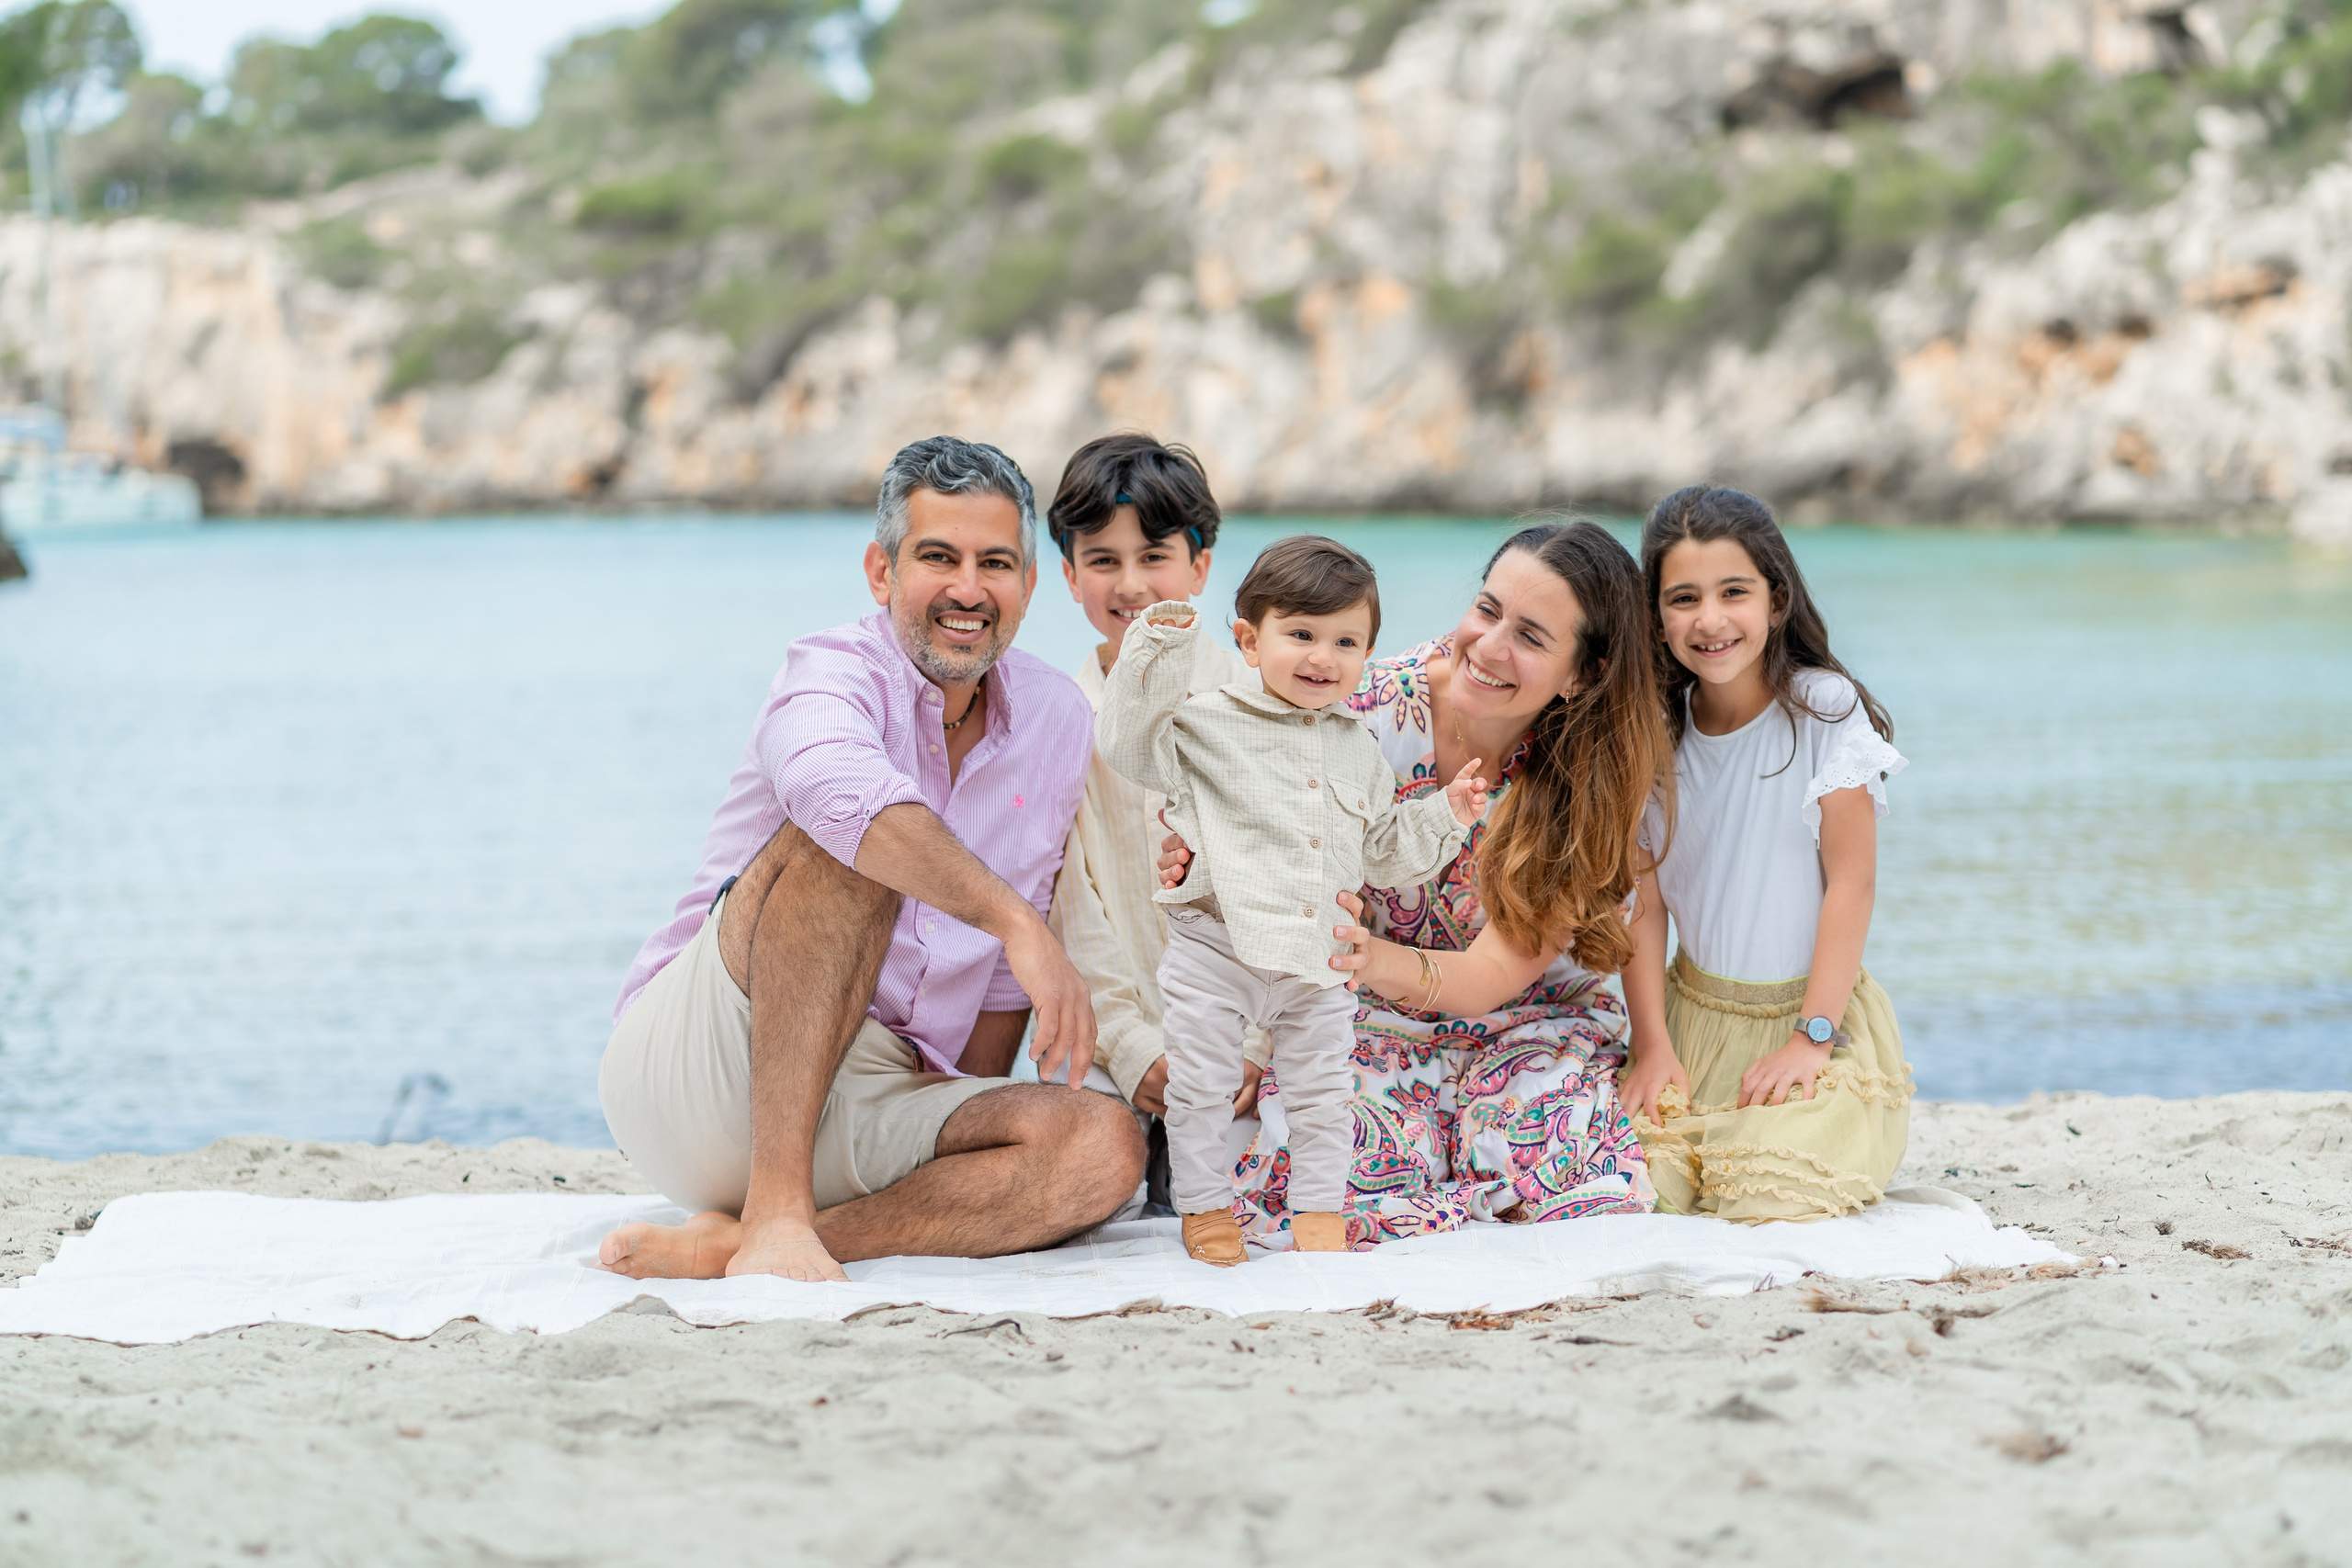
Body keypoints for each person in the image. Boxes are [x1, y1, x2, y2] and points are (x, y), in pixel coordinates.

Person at [594, 435, 1142, 1283]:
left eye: (996, 562)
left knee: (1104, 1145)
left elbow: (1000, 991)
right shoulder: (831, 670)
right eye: (938, 557)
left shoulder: (1057, 717)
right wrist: (1014, 920)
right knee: (856, 838)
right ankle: (773, 1217)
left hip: (879, 1094)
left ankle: (761, 1241)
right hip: (707, 1065)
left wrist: (975, 1126)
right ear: (882, 573)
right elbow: (840, 799)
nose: (969, 588)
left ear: (1029, 588)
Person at [1163, 520, 1673, 1246]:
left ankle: (1469, 1141)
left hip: (1525, 1015)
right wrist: (1205, 856)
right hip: (1366, 1011)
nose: (1490, 646)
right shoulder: (1357, 707)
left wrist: (1368, 957)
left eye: (1531, 637)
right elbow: (1252, 821)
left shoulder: (1589, 779)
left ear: (1581, 674)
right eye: (1488, 610)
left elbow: (1494, 973)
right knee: (1323, 1172)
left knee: (1535, 1157)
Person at [1099, 538, 1487, 1264]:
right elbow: (1128, 745)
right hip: (1218, 947)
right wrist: (1155, 645)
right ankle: (1205, 1207)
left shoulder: (1357, 747)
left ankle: (1319, 1214)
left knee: (1322, 1096)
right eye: (1300, 634)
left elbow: (1383, 850)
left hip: (1319, 958)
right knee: (1202, 1089)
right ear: (1248, 639)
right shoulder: (1204, 721)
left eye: (1345, 641)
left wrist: (1448, 813)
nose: (1322, 657)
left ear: (1368, 653)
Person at [1618, 485, 1914, 1221]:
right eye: (1682, 598)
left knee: (1767, 1195)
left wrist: (1811, 1040)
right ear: (1654, 620)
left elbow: (1852, 884)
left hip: (1814, 1015)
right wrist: (1653, 1043)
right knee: (1643, 1193)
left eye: (1734, 592)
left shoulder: (1824, 710)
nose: (1710, 619)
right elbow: (1644, 902)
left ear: (1775, 601)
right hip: (1689, 1018)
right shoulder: (1654, 736)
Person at [1042, 434, 1271, 1127]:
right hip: (1117, 1043)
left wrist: (1255, 1045)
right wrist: (1136, 1050)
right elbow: (1068, 906)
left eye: (1154, 557)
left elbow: (1291, 882)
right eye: (1103, 561)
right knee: (1085, 1160)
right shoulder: (1061, 721)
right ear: (1070, 577)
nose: (1132, 584)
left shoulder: (1258, 704)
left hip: (1255, 1044)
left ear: (1199, 567)